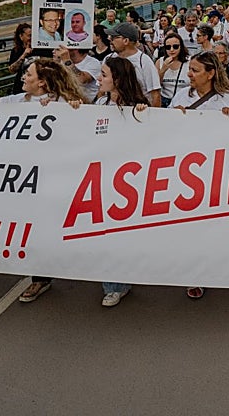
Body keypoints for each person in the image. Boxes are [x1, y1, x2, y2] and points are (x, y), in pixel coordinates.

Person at [4, 58, 86, 301]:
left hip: (62, 179)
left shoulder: (64, 104)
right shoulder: (20, 101)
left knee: (67, 226)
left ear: (42, 82)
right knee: (37, 229)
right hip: (34, 180)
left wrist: (75, 109)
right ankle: (40, 278)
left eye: (28, 74)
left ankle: (88, 265)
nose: (23, 78)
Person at [92, 57, 150, 308]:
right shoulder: (98, 101)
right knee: (106, 234)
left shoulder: (138, 107)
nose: (98, 79)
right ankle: (115, 283)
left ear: (117, 79)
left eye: (103, 75)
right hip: (101, 177)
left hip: (128, 182)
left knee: (119, 234)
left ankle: (117, 284)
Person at [107, 22, 161, 106]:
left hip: (138, 112)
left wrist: (153, 117)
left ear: (126, 41)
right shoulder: (109, 59)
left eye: (114, 37)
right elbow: (102, 90)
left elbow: (155, 94)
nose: (110, 39)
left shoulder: (144, 61)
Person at [156, 32, 191, 107]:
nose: (171, 50)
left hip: (184, 101)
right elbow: (156, 85)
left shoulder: (189, 62)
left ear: (181, 46)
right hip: (165, 100)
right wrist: (163, 70)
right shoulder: (160, 62)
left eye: (175, 46)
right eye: (168, 47)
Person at [7, 22, 36, 94]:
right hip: (21, 86)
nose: (31, 38)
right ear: (21, 36)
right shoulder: (16, 51)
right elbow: (12, 70)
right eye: (29, 36)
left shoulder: (38, 48)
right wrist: (24, 55)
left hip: (36, 85)